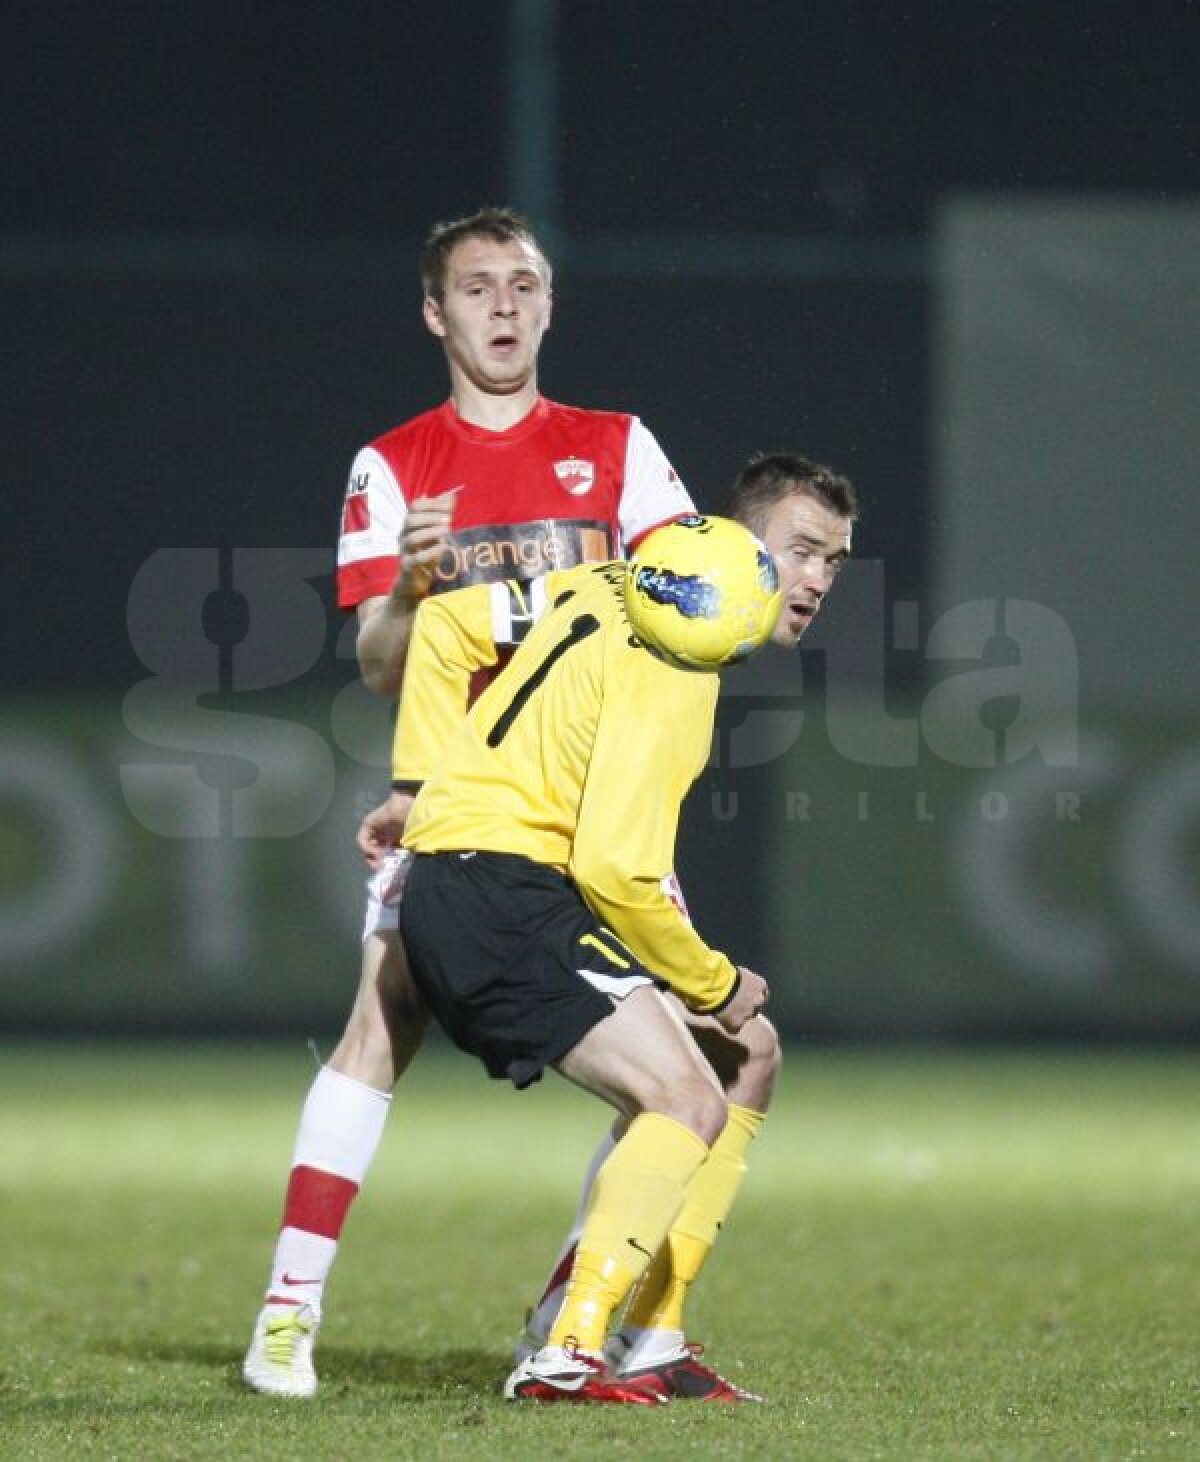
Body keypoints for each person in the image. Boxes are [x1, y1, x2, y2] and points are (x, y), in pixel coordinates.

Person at [243, 206, 694, 1398]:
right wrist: (409, 585)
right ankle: (287, 1312)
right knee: (381, 1022)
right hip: (456, 804)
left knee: (691, 1064)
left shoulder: (619, 448)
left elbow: (686, 609)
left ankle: (571, 1307)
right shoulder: (394, 466)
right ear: (435, 315)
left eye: (524, 284)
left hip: (594, 806)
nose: (504, 304)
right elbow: (381, 663)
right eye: (478, 286)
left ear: (550, 306)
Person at [394, 462, 857, 1403]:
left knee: (744, 1059)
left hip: (483, 882)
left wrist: (419, 788)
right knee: (685, 1098)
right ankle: (566, 1352)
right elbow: (618, 868)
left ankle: (649, 1335)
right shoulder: (686, 650)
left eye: (836, 562)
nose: (816, 581)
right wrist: (713, 979)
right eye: (802, 551)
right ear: (742, 541)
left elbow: (445, 627)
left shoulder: (606, 578)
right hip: (503, 894)